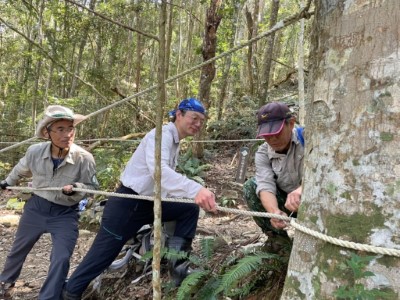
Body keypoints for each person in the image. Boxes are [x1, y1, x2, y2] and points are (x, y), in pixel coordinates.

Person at [62, 98, 217, 299]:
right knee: (101, 256)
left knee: (188, 208)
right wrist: (195, 189)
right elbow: (159, 172)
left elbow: (163, 182)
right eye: (194, 118)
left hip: (149, 203)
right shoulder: (160, 136)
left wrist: (193, 195)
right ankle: (70, 293)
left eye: (201, 121)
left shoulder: (174, 140)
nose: (197, 124)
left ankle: (179, 269)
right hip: (127, 205)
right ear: (179, 114)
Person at [0, 105, 98, 300]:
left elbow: (93, 187)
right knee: (18, 249)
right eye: (60, 129)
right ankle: (5, 284)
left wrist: (76, 187)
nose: (67, 134)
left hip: (65, 213)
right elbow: (20, 170)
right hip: (36, 208)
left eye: (70, 128)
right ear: (48, 133)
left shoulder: (84, 158)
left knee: (61, 257)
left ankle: (49, 296)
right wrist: (7, 183)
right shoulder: (34, 152)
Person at [243, 102, 304, 247]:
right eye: (267, 135)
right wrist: (274, 212)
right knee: (251, 187)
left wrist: (303, 189)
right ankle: (280, 246)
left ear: (291, 123)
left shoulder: (309, 138)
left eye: (276, 133)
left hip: (316, 202)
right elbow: (265, 185)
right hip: (288, 206)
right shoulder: (263, 153)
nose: (272, 140)